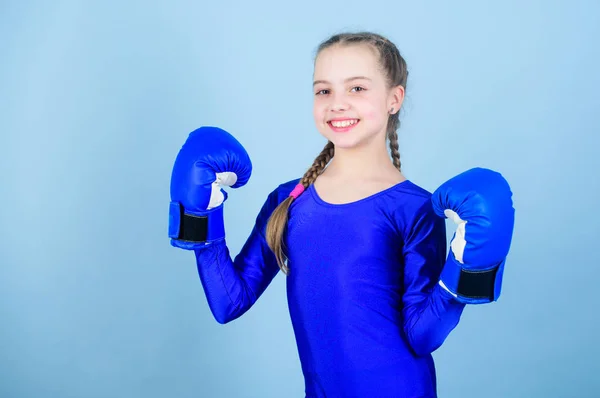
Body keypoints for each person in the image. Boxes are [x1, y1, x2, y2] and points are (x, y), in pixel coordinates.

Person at [168, 31, 515, 397]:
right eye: (324, 91)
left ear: (394, 99)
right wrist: (201, 219)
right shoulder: (289, 200)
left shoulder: (415, 209)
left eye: (357, 89)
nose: (337, 104)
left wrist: (467, 273)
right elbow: (229, 302)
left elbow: (423, 335)